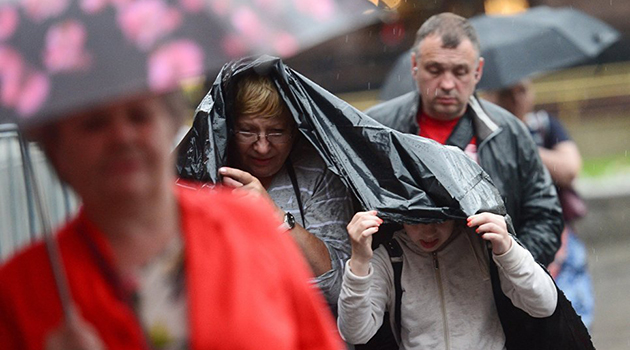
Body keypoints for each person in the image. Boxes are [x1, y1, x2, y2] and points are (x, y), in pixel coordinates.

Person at [0, 91, 343, 350]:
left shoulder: (248, 226)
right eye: (94, 123)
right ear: (55, 148)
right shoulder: (22, 287)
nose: (122, 137)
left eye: (139, 116)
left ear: (171, 125)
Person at [365, 13, 563, 266]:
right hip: (402, 292)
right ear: (415, 65)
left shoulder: (509, 131)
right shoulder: (377, 126)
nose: (447, 84)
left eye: (460, 71)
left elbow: (545, 214)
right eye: (435, 69)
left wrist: (510, 269)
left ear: (478, 71)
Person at [214, 73, 354, 311]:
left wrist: (277, 217)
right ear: (228, 129)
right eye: (247, 131)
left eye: (276, 132)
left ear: (295, 131)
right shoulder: (208, 172)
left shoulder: (317, 173)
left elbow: (340, 286)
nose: (262, 146)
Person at [337, 210, 558, 349]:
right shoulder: (391, 255)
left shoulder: (481, 245)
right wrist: (359, 261)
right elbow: (356, 332)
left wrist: (508, 250)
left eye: (438, 220)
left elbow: (544, 304)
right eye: (415, 221)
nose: (428, 232)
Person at [484, 78, 594, 327]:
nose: (516, 99)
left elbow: (569, 168)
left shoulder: (544, 126)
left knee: (571, 311)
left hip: (558, 234)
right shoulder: (482, 134)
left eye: (522, 90)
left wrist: (521, 143)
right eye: (506, 92)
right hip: (509, 236)